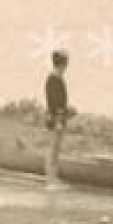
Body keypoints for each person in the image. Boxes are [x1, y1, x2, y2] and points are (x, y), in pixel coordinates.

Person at [44, 49, 72, 185]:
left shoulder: (54, 78)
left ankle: (52, 179)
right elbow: (56, 102)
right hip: (56, 120)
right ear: (64, 64)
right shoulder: (55, 79)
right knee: (53, 150)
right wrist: (61, 119)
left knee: (54, 150)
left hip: (55, 118)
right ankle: (51, 180)